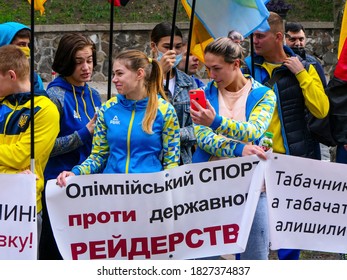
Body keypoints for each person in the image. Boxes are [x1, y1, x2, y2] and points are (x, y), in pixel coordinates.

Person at [244, 12, 329, 260]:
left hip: (291, 159)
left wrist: (301, 74)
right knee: (250, 229)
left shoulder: (308, 65)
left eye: (260, 36)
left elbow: (321, 109)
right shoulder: (247, 67)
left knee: (289, 233)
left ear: (278, 37)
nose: (255, 41)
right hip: (254, 159)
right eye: (253, 36)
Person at [191, 37, 276, 260]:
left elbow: (253, 130)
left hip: (253, 187)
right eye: (208, 68)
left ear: (236, 64)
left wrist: (215, 122)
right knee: (203, 259)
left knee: (255, 258)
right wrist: (239, 150)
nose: (211, 75)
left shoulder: (264, 94)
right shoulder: (202, 92)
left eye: (216, 68)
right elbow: (204, 140)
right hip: (208, 186)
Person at [56, 49, 180, 186]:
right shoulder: (107, 109)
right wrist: (75, 173)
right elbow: (98, 156)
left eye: (119, 74)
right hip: (113, 192)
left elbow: (171, 162)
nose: (114, 79)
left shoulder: (165, 111)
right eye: (114, 74)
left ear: (139, 74)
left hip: (148, 192)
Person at [39, 34, 102, 260]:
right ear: (66, 61)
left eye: (89, 60)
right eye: (78, 61)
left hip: (87, 184)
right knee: (57, 253)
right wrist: (85, 132)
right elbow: (47, 148)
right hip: (59, 187)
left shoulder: (94, 94)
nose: (86, 67)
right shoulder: (54, 96)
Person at [0, 45, 59, 256]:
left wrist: (12, 166)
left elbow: (19, 157)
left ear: (11, 75)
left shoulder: (46, 110)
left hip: (21, 207)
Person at [150, 22, 197, 165]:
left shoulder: (189, 83)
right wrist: (159, 73)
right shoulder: (140, 78)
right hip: (151, 161)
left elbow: (200, 128)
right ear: (154, 46)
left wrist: (174, 134)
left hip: (182, 163)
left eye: (178, 47)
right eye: (167, 47)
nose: (173, 52)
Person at [0, 21, 44, 91]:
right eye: (21, 44)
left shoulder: (34, 79)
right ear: (4, 45)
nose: (27, 49)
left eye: (28, 45)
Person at [285, 21, 327, 87]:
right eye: (292, 39)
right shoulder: (275, 61)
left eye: (301, 39)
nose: (298, 43)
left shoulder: (314, 63)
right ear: (283, 40)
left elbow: (323, 90)